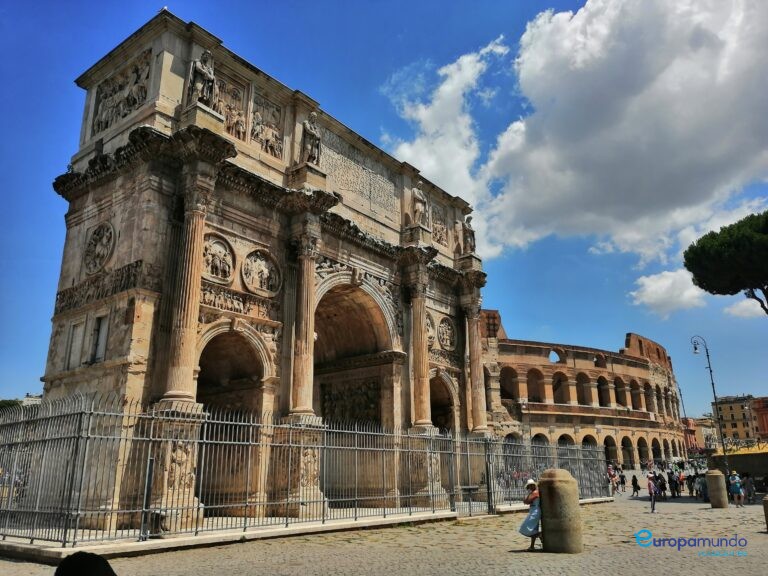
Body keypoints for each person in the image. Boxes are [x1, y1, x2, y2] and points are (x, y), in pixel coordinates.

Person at [519, 479, 542, 550]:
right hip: (533, 510)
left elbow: (527, 501)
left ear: (534, 485)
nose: (531, 487)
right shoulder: (533, 493)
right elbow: (526, 501)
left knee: (525, 528)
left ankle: (540, 534)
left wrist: (527, 500)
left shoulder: (535, 492)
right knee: (534, 529)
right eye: (529, 486)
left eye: (532, 485)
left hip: (535, 511)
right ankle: (532, 546)